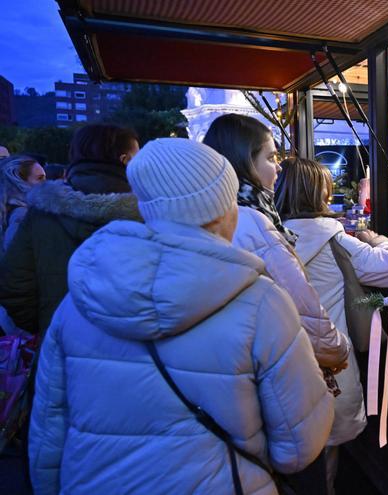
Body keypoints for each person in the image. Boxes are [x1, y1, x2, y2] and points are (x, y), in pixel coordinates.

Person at [28, 138, 333, 495]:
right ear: (221, 208)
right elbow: (299, 447)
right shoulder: (262, 303)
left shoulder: (80, 301)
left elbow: (48, 437)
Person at [276, 157, 388, 493]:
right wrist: (377, 239)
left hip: (280, 368)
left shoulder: (269, 241)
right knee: (325, 465)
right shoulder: (336, 242)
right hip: (329, 369)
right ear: (319, 194)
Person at [203, 114, 350, 373]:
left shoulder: (212, 215)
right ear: (245, 162)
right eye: (271, 158)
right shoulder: (251, 221)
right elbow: (301, 307)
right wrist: (338, 348)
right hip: (272, 365)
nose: (278, 167)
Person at [0, 124, 141, 338]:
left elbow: (14, 289)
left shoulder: (40, 213)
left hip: (58, 351)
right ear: (125, 160)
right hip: (134, 352)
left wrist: (50, 327)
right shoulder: (150, 215)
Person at [1, 155, 46, 250]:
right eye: (40, 178)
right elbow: (14, 254)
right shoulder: (22, 214)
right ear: (19, 182)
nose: (45, 183)